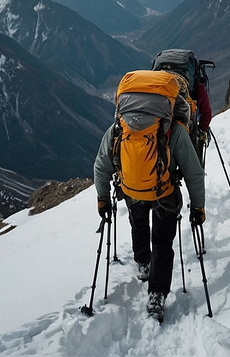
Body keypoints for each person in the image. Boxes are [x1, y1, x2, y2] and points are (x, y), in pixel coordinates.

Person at [93, 119, 206, 322]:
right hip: (165, 194)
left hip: (131, 190)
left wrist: (103, 198)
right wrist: (198, 206)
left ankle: (143, 262)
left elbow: (101, 166)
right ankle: (157, 294)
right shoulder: (174, 129)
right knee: (162, 241)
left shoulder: (120, 126)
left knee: (138, 224)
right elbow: (193, 173)